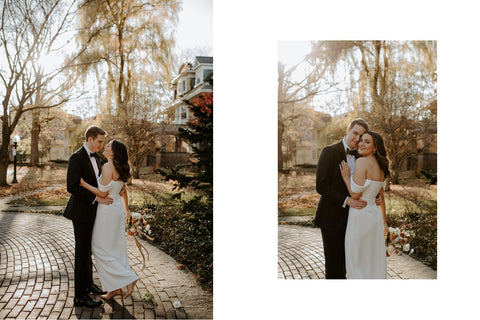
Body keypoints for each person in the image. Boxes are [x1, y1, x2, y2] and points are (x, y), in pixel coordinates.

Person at [79, 139, 138, 300]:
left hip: (107, 211)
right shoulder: (121, 167)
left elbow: (102, 193)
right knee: (114, 249)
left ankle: (129, 277)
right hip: (117, 210)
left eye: (107, 146)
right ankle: (114, 289)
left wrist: (84, 184)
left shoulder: (108, 166)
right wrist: (127, 212)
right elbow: (123, 191)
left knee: (99, 248)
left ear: (112, 152)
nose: (104, 147)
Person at [314, 118, 372, 279]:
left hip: (353, 220)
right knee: (334, 268)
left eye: (361, 137)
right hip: (331, 219)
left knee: (348, 265)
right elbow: (322, 186)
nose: (356, 138)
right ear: (348, 130)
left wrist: (375, 197)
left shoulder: (362, 157)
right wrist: (347, 200)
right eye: (355, 133)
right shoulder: (329, 151)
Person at [64, 126, 112, 307]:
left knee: (89, 251)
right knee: (81, 253)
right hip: (81, 213)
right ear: (90, 139)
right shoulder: (77, 157)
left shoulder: (97, 157)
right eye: (99, 141)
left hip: (94, 211)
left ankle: (89, 285)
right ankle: (80, 296)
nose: (101, 145)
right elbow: (72, 186)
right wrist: (96, 198)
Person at [339, 131, 389, 279]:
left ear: (375, 148)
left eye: (367, 142)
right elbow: (381, 196)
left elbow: (355, 194)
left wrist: (346, 177)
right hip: (374, 219)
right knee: (373, 262)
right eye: (361, 140)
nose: (361, 143)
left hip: (360, 217)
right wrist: (384, 222)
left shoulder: (362, 162)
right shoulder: (381, 166)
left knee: (356, 260)